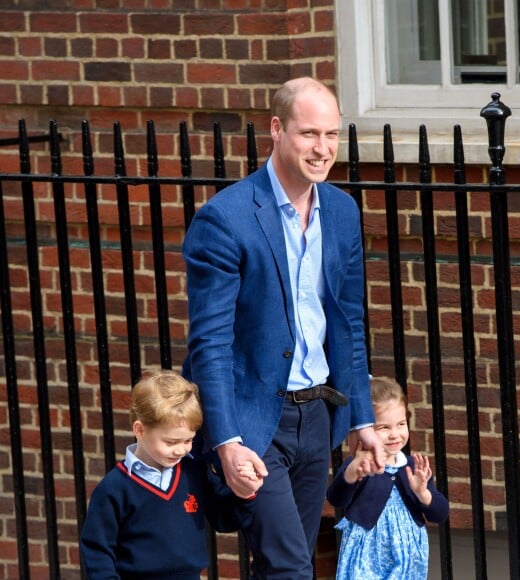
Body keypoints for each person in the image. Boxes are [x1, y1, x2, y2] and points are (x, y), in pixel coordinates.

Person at [181, 76, 385, 578]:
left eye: (332, 135)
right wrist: (225, 440)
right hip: (254, 423)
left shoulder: (341, 211)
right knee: (290, 567)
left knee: (277, 566)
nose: (323, 149)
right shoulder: (226, 219)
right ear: (277, 129)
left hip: (317, 417)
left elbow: (350, 325)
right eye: (309, 134)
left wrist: (362, 418)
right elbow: (210, 343)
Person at [79, 369, 256, 579]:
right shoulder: (114, 488)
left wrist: (245, 493)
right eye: (171, 442)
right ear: (140, 430)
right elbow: (97, 551)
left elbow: (225, 520)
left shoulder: (195, 473)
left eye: (188, 440)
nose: (181, 449)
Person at [327, 378, 450, 579]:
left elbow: (440, 513)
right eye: (384, 428)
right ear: (366, 430)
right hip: (366, 551)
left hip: (407, 555)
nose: (394, 434)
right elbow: (336, 499)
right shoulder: (361, 464)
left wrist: (424, 494)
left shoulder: (413, 468)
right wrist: (351, 473)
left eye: (401, 424)